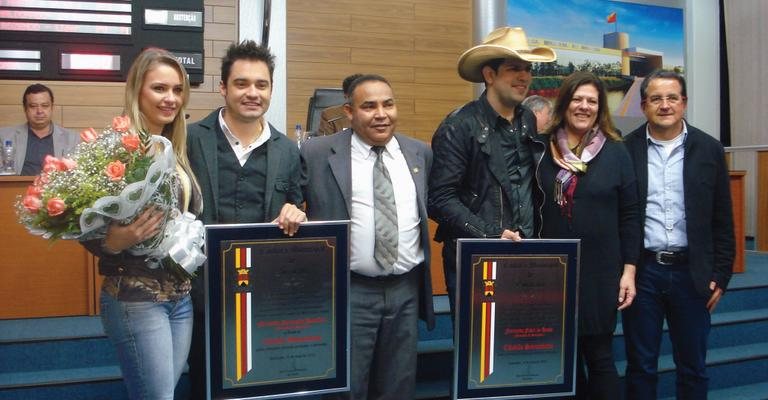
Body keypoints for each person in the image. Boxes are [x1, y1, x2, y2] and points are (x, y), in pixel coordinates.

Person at [301, 74, 434, 400]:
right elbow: (289, 199)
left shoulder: (419, 153)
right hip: (350, 290)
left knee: (399, 386)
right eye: (369, 106)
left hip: (405, 290)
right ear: (349, 111)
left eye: (388, 104)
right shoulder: (316, 154)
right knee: (348, 388)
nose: (381, 114)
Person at [186, 40, 306, 399]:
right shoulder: (190, 139)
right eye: (241, 84)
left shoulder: (287, 150)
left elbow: (298, 204)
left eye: (262, 84)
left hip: (265, 292)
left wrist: (296, 211)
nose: (252, 93)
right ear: (223, 88)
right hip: (201, 291)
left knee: (262, 381)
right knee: (205, 380)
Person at [81, 48, 203, 400]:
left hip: (180, 298)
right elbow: (81, 224)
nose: (171, 98)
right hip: (136, 296)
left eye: (177, 90)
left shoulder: (176, 148)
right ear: (138, 91)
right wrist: (115, 240)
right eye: (160, 88)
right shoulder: (116, 149)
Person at [622, 70, 735, 400]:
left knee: (693, 366)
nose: (665, 105)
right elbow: (622, 217)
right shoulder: (625, 150)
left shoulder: (709, 148)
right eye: (656, 98)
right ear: (643, 106)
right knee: (640, 365)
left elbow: (723, 218)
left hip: (692, 273)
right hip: (644, 273)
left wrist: (722, 274)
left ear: (684, 103)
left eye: (672, 98)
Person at [428, 26, 555, 316]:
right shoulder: (459, 126)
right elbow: (438, 199)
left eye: (527, 68)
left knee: (518, 344)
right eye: (513, 68)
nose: (524, 76)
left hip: (526, 254)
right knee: (479, 351)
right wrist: (490, 235)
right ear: (489, 75)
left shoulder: (527, 120)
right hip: (477, 258)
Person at [538, 71, 641, 399]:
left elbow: (630, 215)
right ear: (565, 103)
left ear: (600, 109)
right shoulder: (541, 149)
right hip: (551, 271)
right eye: (577, 99)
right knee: (562, 358)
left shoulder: (616, 152)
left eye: (592, 101)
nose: (584, 106)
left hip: (600, 271)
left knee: (599, 356)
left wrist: (629, 270)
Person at [0, 83, 78, 175]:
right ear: (25, 109)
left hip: (55, 188)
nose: (39, 111)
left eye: (45, 106)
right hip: (17, 189)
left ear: (52, 108)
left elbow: (76, 176)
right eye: (33, 106)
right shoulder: (4, 136)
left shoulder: (72, 138)